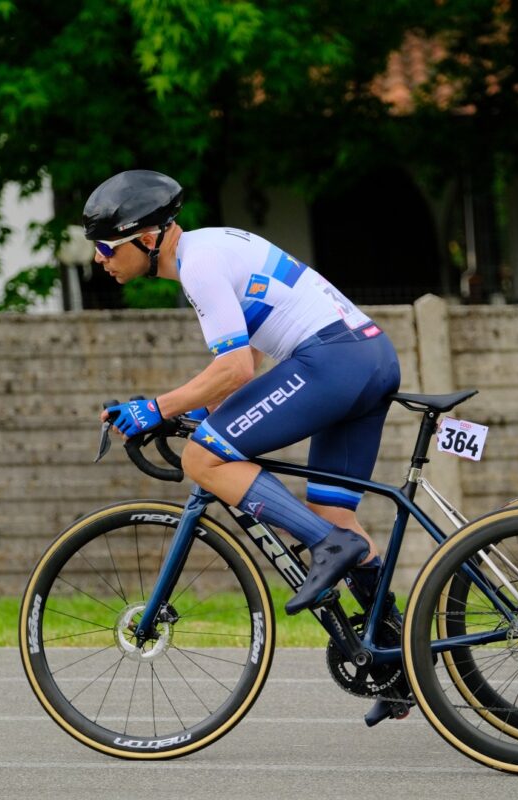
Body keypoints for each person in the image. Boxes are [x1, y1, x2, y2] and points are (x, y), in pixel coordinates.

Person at [85, 169, 402, 624]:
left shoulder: (198, 266)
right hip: (370, 355)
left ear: (148, 238)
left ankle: (328, 545)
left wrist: (155, 408)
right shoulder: (213, 245)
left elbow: (236, 368)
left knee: (202, 459)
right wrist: (197, 408)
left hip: (333, 361)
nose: (99, 259)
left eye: (104, 247)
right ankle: (395, 659)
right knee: (334, 512)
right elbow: (242, 354)